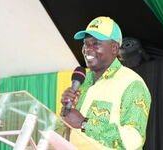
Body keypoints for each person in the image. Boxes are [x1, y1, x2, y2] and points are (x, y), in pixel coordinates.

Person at [61, 16, 151, 150]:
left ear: (114, 48)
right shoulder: (82, 82)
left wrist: (84, 124)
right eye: (86, 43)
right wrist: (65, 112)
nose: (88, 49)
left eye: (96, 43)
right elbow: (69, 134)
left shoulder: (132, 84)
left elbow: (134, 140)